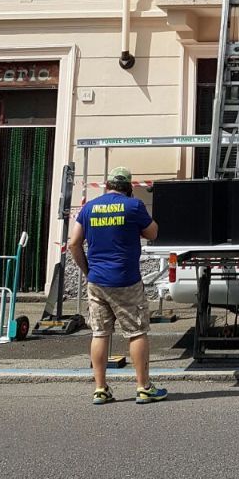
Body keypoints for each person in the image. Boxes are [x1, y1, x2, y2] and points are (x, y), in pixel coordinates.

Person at [69, 166, 168, 406]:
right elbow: (153, 233)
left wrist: (88, 271)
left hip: (97, 281)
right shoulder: (133, 206)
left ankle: (100, 389)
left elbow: (74, 243)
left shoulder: (89, 208)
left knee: (100, 333)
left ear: (108, 186)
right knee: (136, 332)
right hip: (126, 281)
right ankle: (143, 387)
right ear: (129, 188)